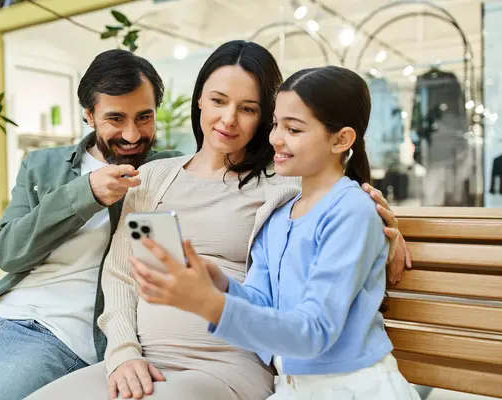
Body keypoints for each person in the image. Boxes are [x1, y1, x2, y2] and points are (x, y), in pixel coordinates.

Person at [27, 41, 409, 400]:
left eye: (248, 108)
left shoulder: (283, 181)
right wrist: (124, 352)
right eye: (218, 101)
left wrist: (389, 231)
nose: (229, 119)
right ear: (199, 101)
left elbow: (341, 201)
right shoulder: (155, 178)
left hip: (227, 364)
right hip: (144, 360)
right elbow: (124, 274)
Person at [0, 49, 182, 400]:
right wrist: (85, 193)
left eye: (144, 117)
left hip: (61, 338)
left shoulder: (168, 171)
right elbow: (7, 252)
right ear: (89, 115)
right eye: (115, 118)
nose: (131, 134)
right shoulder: (42, 166)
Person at [131, 66, 421, 399]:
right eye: (275, 124)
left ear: (341, 139)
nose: (275, 139)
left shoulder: (352, 211)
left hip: (354, 387)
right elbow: (265, 303)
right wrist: (220, 285)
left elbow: (315, 332)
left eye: (293, 129)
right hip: (293, 387)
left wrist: (213, 305)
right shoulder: (280, 215)